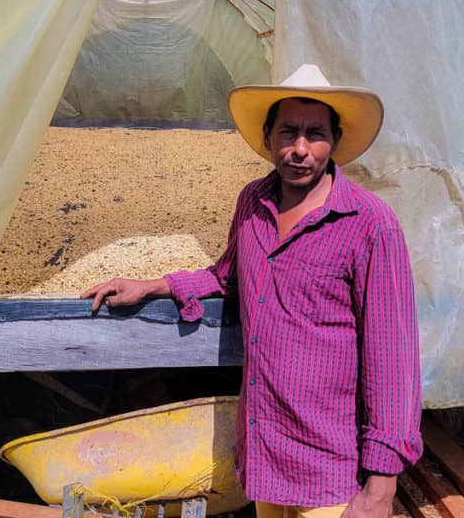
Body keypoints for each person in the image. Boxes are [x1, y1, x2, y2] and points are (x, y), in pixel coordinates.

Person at [82, 64, 422, 518]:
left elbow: (393, 362)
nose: (300, 149)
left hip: (329, 471)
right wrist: (151, 286)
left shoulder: (369, 224)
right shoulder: (252, 204)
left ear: (334, 141)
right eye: (288, 132)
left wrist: (380, 491)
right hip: (267, 456)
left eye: (314, 133)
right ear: (267, 138)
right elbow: (226, 274)